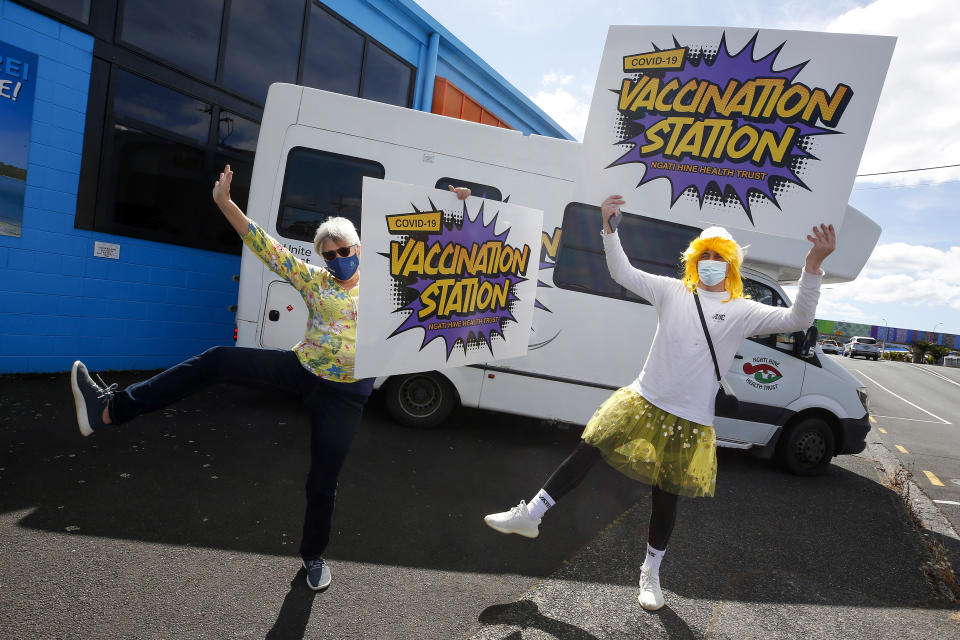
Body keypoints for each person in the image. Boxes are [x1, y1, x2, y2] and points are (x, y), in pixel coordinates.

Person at [69, 164, 470, 591]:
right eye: (329, 253)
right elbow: (267, 246)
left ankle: (313, 557)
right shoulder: (315, 281)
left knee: (323, 480)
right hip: (303, 370)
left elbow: (445, 262)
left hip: (347, 396)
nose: (337, 258)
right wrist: (225, 203)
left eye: (344, 249)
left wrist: (454, 210)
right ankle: (111, 410)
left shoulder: (391, 283)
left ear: (359, 245)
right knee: (219, 359)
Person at [483, 194, 835, 611]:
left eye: (718, 257)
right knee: (588, 448)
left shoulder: (742, 310)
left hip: (689, 418)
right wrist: (609, 230)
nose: (710, 263)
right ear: (693, 260)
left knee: (666, 496)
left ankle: (650, 572)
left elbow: (797, 320)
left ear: (730, 265)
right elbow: (623, 272)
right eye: (704, 255)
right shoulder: (672, 292)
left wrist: (812, 267)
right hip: (643, 398)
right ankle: (532, 514)